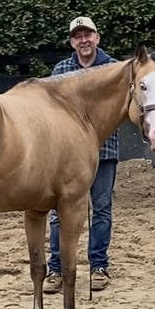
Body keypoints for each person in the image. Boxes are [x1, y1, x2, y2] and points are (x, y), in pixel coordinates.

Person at [45, 16, 118, 293]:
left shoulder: (112, 68)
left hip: (104, 149)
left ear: (97, 38)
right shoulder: (62, 69)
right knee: (57, 212)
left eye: (88, 34)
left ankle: (99, 265)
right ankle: (56, 269)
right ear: (72, 41)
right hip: (64, 154)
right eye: (78, 36)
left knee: (101, 208)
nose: (83, 40)